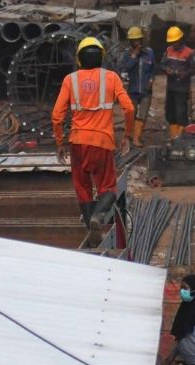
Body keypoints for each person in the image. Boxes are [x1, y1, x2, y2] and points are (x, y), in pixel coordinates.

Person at [52, 37, 135, 227]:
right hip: (102, 142)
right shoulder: (111, 77)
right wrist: (126, 136)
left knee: (82, 187)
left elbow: (57, 115)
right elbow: (129, 108)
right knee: (108, 187)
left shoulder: (70, 80)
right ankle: (98, 217)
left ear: (79, 59)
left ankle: (91, 225)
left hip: (77, 143)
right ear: (102, 57)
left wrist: (60, 142)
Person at [117, 26, 156, 147]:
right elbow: (124, 68)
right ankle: (128, 136)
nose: (136, 42)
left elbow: (153, 69)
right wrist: (134, 56)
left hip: (146, 90)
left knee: (142, 114)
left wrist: (151, 80)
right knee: (130, 113)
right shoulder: (126, 54)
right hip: (132, 89)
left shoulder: (149, 53)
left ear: (142, 39)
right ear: (130, 41)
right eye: (133, 40)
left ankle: (136, 138)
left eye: (138, 40)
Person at [162, 25, 195, 139]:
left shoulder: (189, 52)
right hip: (171, 87)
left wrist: (184, 74)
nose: (173, 44)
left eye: (175, 42)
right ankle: (174, 136)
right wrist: (166, 69)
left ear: (180, 39)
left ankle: (181, 137)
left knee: (181, 113)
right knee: (170, 112)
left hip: (182, 88)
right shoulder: (168, 50)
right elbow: (162, 64)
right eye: (172, 42)